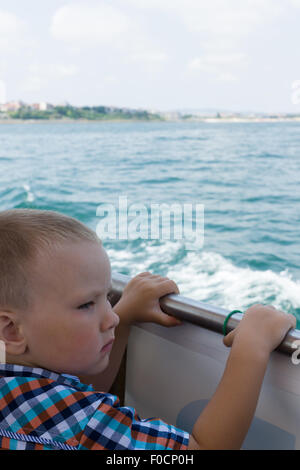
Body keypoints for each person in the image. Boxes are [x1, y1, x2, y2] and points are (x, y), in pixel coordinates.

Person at [0, 209, 296, 450]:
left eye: (107, 296)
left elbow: (76, 396)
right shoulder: (82, 424)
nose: (111, 319)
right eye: (86, 305)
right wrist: (251, 349)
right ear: (11, 330)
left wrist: (126, 314)